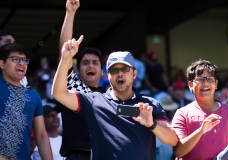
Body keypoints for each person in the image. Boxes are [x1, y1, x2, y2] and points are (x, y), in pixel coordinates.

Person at [52, 36, 178, 160]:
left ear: (134, 74)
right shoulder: (94, 101)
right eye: (114, 70)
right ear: (107, 75)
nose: (120, 73)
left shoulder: (150, 104)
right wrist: (65, 58)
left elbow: (172, 140)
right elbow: (59, 94)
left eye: (124, 69)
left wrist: (151, 124)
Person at [58, 0, 106, 159]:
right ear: (78, 68)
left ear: (101, 69)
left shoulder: (110, 96)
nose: (90, 66)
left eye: (95, 63)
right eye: (85, 63)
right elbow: (64, 53)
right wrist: (70, 13)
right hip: (77, 155)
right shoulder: (73, 85)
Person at [171, 59, 228, 160]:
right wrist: (201, 131)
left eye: (210, 79)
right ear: (190, 85)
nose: (205, 83)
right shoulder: (182, 114)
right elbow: (178, 151)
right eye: (200, 79)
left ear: (216, 84)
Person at [0, 43, 53, 160]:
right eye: (15, 59)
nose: (22, 63)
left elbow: (41, 135)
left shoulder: (34, 96)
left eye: (25, 60)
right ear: (2, 63)